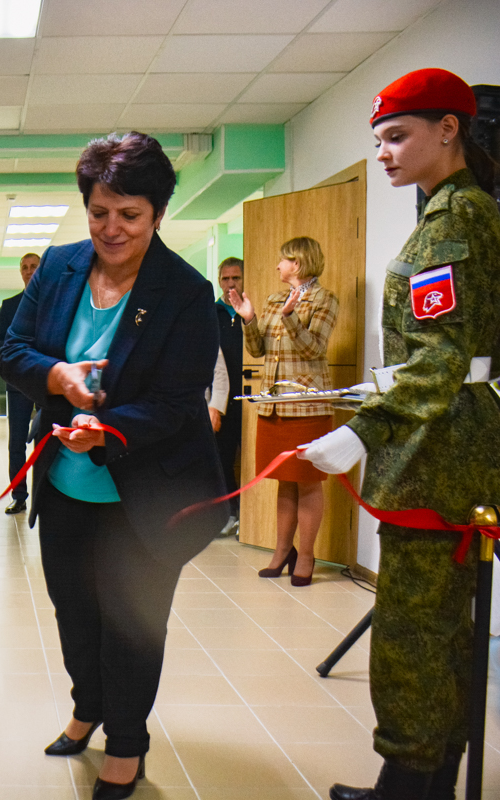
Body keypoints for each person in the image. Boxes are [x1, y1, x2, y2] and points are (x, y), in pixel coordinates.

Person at [0, 132, 226, 800]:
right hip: (66, 486)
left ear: (157, 214)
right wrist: (57, 375)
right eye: (100, 212)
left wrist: (108, 428)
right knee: (73, 609)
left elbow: (179, 400)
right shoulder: (62, 268)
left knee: (132, 621)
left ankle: (126, 741)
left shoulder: (185, 291)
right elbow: (14, 350)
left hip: (144, 492)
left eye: (129, 215)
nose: (111, 228)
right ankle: (86, 706)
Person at [300, 68, 500, 800]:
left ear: (449, 129)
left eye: (397, 136)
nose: (384, 152)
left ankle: (406, 789)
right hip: (454, 445)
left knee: (414, 636)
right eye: (379, 140)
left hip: (435, 455)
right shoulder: (464, 212)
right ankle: (425, 782)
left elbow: (442, 360)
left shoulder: (452, 226)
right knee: (443, 630)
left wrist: (359, 433)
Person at [227, 237, 338, 586]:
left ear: (300, 262)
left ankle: (305, 555)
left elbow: (313, 349)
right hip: (274, 405)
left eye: (284, 260)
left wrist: (290, 318)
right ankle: (281, 552)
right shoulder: (275, 299)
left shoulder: (325, 300)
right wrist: (248, 320)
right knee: (284, 482)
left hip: (306, 404)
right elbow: (259, 350)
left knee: (307, 482)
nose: (278, 266)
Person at [0, 252, 40, 514]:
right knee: (17, 443)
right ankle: (19, 496)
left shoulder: (57, 303)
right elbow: (0, 343)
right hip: (20, 384)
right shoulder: (10, 305)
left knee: (48, 438)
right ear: (20, 272)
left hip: (49, 385)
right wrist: (16, 363)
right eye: (25, 267)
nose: (29, 270)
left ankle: (48, 495)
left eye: (34, 266)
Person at [213, 257, 245, 535]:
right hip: (223, 400)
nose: (230, 283)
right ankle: (230, 513)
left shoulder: (250, 313)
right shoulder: (212, 313)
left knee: (250, 459)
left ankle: (252, 517)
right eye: (225, 279)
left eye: (236, 278)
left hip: (250, 397)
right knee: (222, 459)